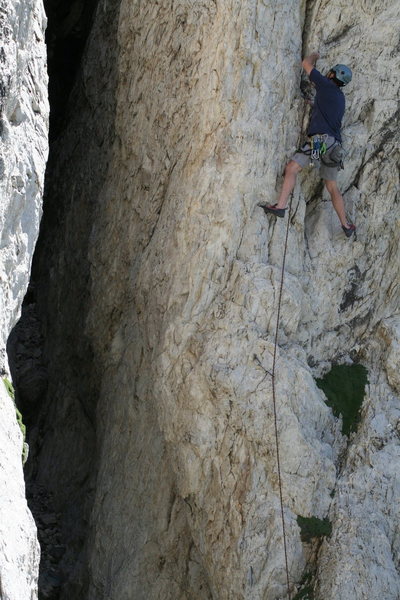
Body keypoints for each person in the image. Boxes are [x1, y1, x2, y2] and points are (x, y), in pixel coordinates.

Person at [261, 53, 356, 238]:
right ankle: (346, 225)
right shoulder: (340, 98)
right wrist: (313, 104)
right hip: (334, 146)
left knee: (292, 169)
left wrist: (315, 54)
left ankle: (280, 206)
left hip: (320, 141)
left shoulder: (325, 84)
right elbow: (325, 111)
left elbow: (306, 63)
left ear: (332, 75)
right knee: (332, 187)